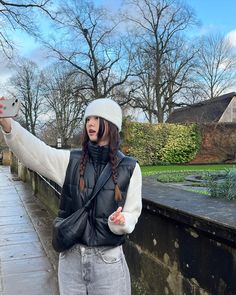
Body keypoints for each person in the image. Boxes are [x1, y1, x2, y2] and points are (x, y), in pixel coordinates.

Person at [0, 97, 142, 295]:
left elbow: (132, 212)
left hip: (108, 261)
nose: (89, 123)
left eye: (96, 118)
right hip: (71, 259)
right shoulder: (71, 161)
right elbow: (37, 153)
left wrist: (121, 221)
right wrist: (8, 125)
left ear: (110, 124)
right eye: (87, 119)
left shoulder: (130, 167)